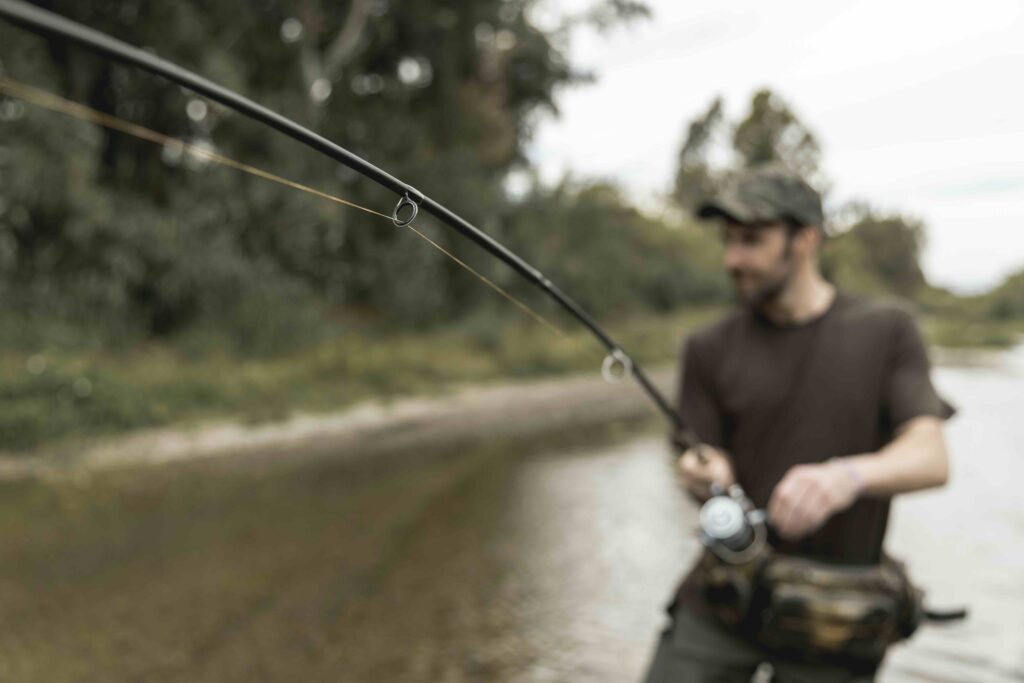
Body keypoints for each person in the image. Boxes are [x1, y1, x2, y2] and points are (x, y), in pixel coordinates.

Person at [642, 165, 955, 683]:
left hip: (838, 612)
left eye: (751, 241)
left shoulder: (887, 330)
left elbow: (931, 457)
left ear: (805, 240)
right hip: (723, 596)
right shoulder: (707, 347)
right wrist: (702, 472)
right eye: (729, 242)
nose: (732, 259)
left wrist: (846, 477)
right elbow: (699, 456)